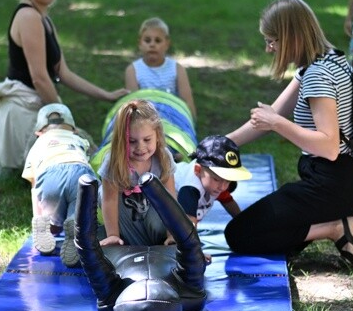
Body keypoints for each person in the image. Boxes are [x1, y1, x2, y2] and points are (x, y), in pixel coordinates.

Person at [226, 0, 353, 267]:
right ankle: (350, 218)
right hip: (351, 179)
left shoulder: (317, 76)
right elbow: (273, 115)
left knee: (239, 234)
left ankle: (338, 227)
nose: (269, 49)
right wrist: (224, 142)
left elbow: (328, 145)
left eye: (272, 40)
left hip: (334, 184)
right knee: (266, 227)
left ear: (291, 37)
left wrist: (277, 124)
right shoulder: (328, 60)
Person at [0, 0, 127, 178]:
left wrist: (106, 95)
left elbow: (63, 72)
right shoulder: (28, 17)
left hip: (38, 105)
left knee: (90, 154)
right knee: (86, 159)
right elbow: (40, 78)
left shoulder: (44, 19)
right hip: (24, 109)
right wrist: (63, 118)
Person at [73, 174, 206, 311]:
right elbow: (189, 241)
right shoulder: (188, 290)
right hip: (162, 246)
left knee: (95, 249)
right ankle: (79, 228)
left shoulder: (112, 296)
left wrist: (86, 192)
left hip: (119, 250)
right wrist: (154, 188)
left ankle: (75, 229)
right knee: (191, 251)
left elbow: (86, 248)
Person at [21, 102, 96, 266]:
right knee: (81, 211)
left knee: (53, 222)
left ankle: (48, 225)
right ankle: (75, 227)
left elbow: (34, 187)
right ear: (74, 129)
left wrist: (38, 217)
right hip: (80, 171)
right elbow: (93, 156)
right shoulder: (78, 139)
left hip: (50, 175)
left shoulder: (37, 145)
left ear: (39, 132)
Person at [97, 99, 176, 249]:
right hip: (125, 218)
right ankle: (86, 237)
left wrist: (173, 234)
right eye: (132, 141)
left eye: (147, 140)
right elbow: (109, 201)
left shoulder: (163, 158)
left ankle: (156, 242)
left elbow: (170, 199)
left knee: (160, 223)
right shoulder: (113, 162)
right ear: (121, 140)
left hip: (152, 215)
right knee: (102, 194)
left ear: (157, 136)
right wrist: (113, 235)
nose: (141, 147)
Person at [123, 17, 197, 118]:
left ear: (167, 44)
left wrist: (190, 125)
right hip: (144, 119)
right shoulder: (132, 70)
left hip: (172, 117)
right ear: (140, 43)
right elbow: (133, 104)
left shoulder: (177, 69)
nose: (152, 44)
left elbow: (187, 103)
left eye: (158, 41)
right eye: (147, 40)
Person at [174, 134, 249, 227]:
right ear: (197, 170)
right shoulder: (190, 188)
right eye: (216, 179)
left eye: (228, 181)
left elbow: (228, 202)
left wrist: (244, 223)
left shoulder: (214, 184)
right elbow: (188, 223)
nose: (222, 187)